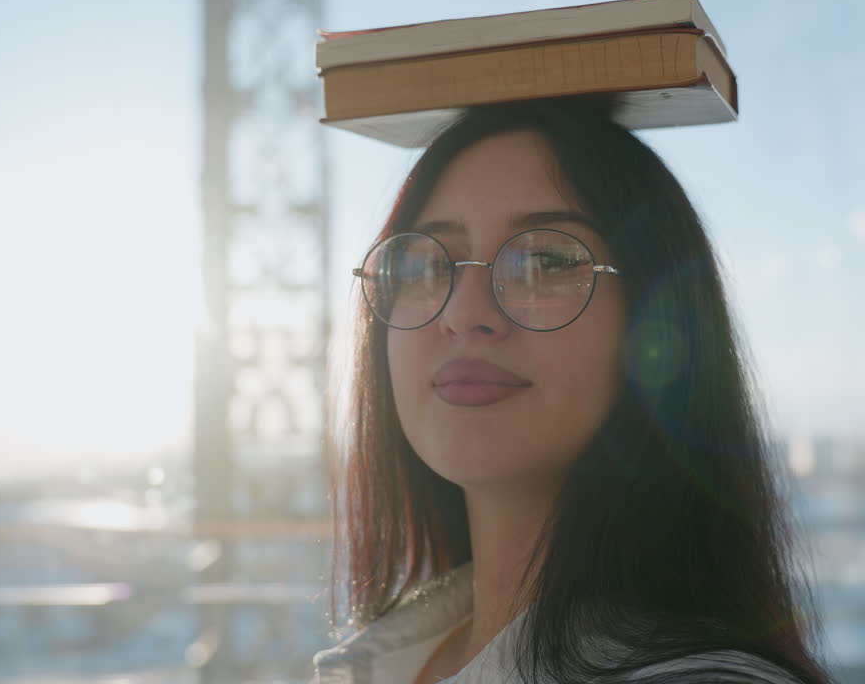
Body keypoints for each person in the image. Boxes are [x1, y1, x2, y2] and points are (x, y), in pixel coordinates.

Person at [311, 97, 834, 684]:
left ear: (660, 329)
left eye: (546, 262)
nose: (463, 314)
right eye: (426, 266)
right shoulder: (384, 660)